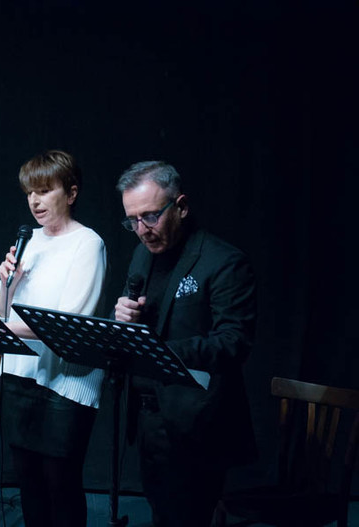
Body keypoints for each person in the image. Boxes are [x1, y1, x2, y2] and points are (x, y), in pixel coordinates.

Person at [113, 161, 256, 527]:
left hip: (198, 423)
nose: (142, 230)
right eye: (133, 220)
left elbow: (233, 342)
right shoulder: (143, 253)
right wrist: (125, 318)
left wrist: (161, 352)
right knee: (161, 514)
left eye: (150, 216)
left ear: (181, 206)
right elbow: (147, 321)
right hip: (149, 418)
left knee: (186, 518)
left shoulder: (223, 261)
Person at [0, 150, 107, 527]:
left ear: (71, 194)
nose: (35, 201)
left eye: (44, 190)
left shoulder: (87, 243)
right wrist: (10, 281)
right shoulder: (30, 241)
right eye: (29, 192)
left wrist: (2, 329)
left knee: (61, 485)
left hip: (65, 383)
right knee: (29, 484)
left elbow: (69, 322)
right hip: (20, 375)